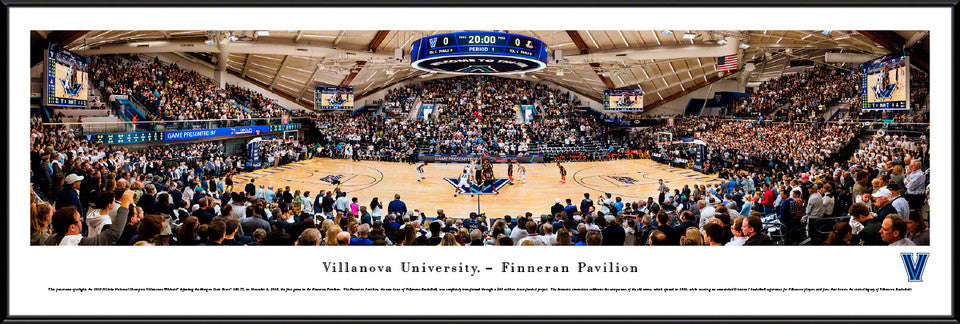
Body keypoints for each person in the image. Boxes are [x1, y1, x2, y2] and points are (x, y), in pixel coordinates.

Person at [45, 189, 134, 246]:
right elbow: (112, 235)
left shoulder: (50, 239)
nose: (81, 220)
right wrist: (125, 205)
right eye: (79, 220)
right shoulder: (78, 243)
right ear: (72, 227)